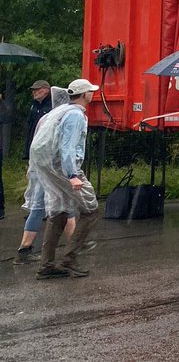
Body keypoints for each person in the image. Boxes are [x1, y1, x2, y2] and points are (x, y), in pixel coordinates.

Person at [28, 79, 101, 280]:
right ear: (84, 94)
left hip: (48, 165)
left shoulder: (60, 111)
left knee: (58, 211)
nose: (92, 94)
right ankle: (70, 257)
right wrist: (72, 175)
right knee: (91, 210)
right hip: (64, 167)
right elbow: (68, 146)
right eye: (90, 91)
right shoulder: (76, 115)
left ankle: (46, 265)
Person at [15, 87, 82, 265]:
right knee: (66, 207)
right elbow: (66, 146)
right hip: (53, 168)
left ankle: (25, 248)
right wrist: (70, 172)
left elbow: (36, 142)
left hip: (41, 167)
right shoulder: (65, 117)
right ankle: (74, 247)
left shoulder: (46, 118)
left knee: (40, 207)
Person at [24, 79, 53, 159]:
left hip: (47, 144)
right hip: (33, 141)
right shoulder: (34, 105)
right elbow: (29, 125)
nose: (34, 92)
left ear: (46, 90)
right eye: (33, 90)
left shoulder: (53, 104)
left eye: (37, 89)